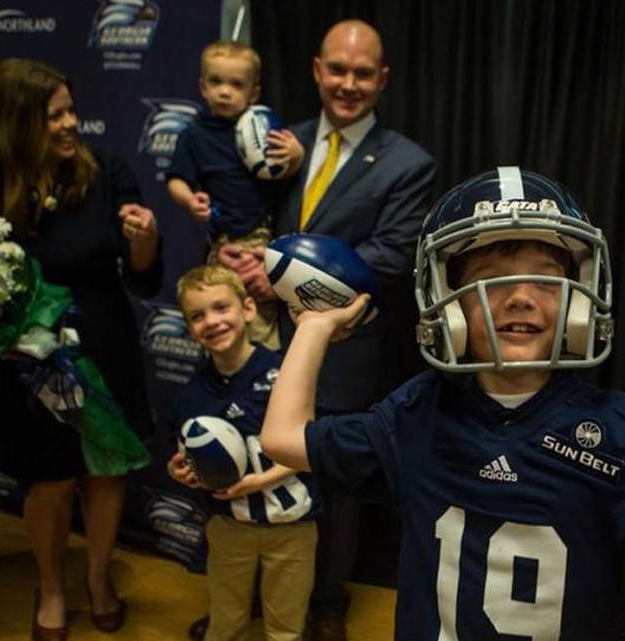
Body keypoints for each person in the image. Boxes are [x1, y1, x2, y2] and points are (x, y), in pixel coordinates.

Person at [260, 168, 625, 641]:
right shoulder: (419, 412)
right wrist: (314, 326)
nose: (520, 297)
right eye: (491, 281)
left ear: (577, 303)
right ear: (450, 309)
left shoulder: (624, 430)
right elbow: (283, 440)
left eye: (545, 278)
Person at [218, 19, 436, 641]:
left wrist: (284, 281)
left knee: (331, 481)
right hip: (262, 340)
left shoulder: (407, 162)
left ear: (382, 79)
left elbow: (391, 254)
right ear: (316, 70)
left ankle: (327, 602)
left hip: (346, 348)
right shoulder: (281, 143)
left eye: (362, 73)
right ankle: (260, 595)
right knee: (258, 456)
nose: (348, 84)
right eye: (336, 70)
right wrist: (241, 252)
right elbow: (250, 214)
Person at [0, 58, 162, 641]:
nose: (71, 123)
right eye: (55, 115)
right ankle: (51, 587)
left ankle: (99, 580)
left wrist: (147, 241)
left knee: (104, 476)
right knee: (49, 482)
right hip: (25, 369)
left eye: (72, 110)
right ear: (16, 122)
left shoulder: (106, 174)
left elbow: (144, 278)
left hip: (103, 352)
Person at [167, 265, 320, 641]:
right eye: (197, 316)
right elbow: (187, 457)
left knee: (286, 625)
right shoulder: (191, 393)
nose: (212, 321)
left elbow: (311, 444)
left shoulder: (285, 371)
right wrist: (181, 470)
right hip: (228, 525)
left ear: (248, 308)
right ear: (188, 328)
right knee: (226, 617)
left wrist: (258, 482)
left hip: (292, 524)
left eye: (222, 307)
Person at [168, 40, 304, 348]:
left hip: (264, 240)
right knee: (224, 324)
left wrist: (296, 156)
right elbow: (175, 179)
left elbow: (289, 172)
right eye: (216, 82)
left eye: (236, 84)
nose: (225, 91)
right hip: (224, 245)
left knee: (263, 326)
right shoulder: (194, 135)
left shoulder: (264, 127)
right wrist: (189, 199)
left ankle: (265, 381)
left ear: (253, 92)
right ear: (202, 87)